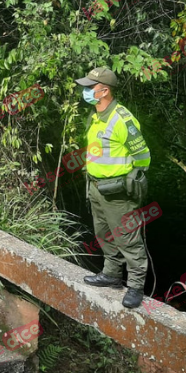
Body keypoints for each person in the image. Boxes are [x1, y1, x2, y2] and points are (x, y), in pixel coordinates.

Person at [76, 67, 150, 308]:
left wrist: (127, 180)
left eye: (90, 87)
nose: (86, 91)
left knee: (128, 239)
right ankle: (112, 275)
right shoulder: (96, 115)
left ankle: (136, 286)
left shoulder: (122, 119)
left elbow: (143, 157)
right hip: (96, 187)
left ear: (104, 90)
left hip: (118, 192)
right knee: (104, 234)